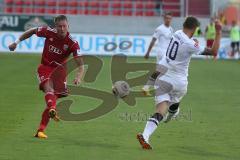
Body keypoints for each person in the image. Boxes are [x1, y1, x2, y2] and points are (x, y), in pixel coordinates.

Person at [137, 16, 222, 149]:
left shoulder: (176, 33)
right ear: (194, 28)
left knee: (160, 111)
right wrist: (218, 32)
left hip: (163, 78)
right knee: (174, 105)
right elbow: (214, 52)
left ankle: (145, 135)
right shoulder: (190, 44)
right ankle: (173, 114)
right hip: (179, 82)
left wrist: (148, 83)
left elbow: (164, 61)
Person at [8, 15, 84, 139]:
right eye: (59, 26)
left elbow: (81, 64)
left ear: (68, 26)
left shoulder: (72, 43)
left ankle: (40, 131)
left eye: (64, 26)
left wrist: (78, 77)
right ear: (55, 27)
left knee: (52, 99)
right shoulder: (48, 32)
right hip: (45, 67)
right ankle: (52, 109)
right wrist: (16, 42)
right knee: (49, 90)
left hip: (59, 72)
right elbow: (32, 31)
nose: (62, 28)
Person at [142, 12, 174, 96]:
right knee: (162, 70)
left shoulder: (171, 29)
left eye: (170, 18)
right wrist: (148, 52)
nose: (168, 20)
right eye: (167, 18)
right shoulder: (160, 29)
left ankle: (149, 88)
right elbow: (153, 40)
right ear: (164, 19)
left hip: (167, 53)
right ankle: (148, 87)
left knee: (161, 71)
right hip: (161, 52)